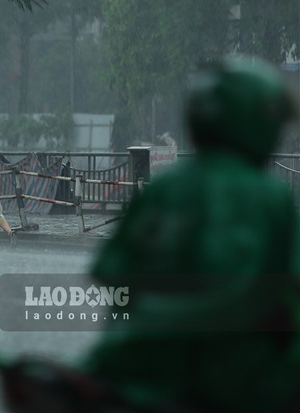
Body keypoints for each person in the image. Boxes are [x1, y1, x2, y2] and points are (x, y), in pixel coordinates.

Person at [80, 56, 299, 413]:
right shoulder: (268, 195)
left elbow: (110, 270)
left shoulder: (164, 186)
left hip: (135, 365)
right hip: (239, 378)